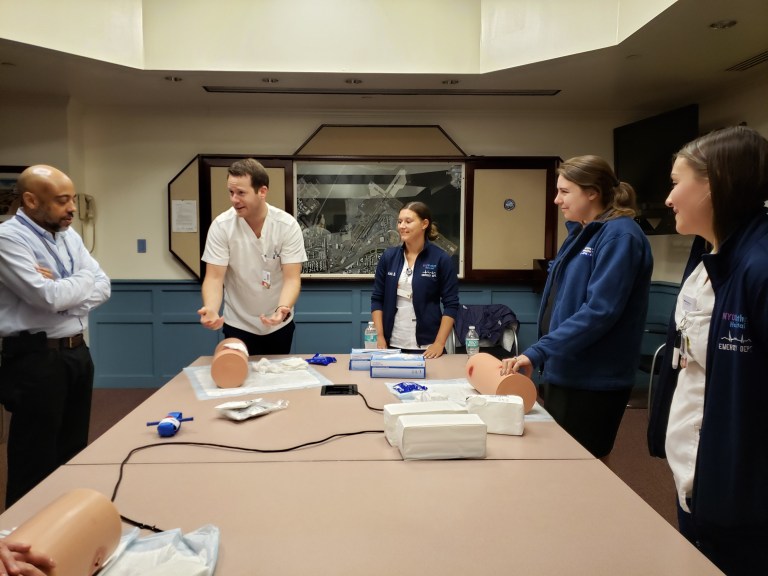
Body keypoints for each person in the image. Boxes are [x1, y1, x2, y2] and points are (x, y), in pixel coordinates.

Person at [647, 126, 768, 575]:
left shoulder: (759, 265)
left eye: (677, 182)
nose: (668, 198)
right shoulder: (707, 256)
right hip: (698, 474)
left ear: (713, 182)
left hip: (741, 492)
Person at [500, 155, 653, 458]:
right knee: (565, 462)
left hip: (593, 378)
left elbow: (600, 312)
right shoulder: (583, 232)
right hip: (565, 368)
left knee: (583, 465)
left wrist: (539, 350)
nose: (557, 200)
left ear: (592, 192)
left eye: (565, 191)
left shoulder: (620, 236)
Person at [0, 165, 111, 508]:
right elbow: (46, 298)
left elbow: (103, 285)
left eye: (73, 200)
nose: (72, 209)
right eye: (63, 201)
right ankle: (21, 534)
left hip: (77, 354)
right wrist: (78, 282)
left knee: (72, 449)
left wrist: (65, 287)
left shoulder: (68, 236)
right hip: (36, 360)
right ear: (31, 200)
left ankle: (63, 528)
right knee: (35, 456)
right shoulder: (8, 238)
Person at [198, 159, 307, 355]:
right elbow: (214, 277)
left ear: (262, 191)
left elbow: (292, 278)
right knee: (236, 378)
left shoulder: (287, 226)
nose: (234, 199)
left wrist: (283, 308)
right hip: (238, 324)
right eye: (231, 193)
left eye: (241, 193)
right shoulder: (222, 226)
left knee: (276, 381)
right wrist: (212, 308)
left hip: (278, 323)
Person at [370, 201, 459, 359]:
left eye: (408, 221)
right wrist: (380, 336)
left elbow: (451, 305)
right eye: (399, 221)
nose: (402, 226)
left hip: (427, 347)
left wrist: (439, 343)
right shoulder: (388, 257)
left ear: (424, 224)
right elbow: (377, 299)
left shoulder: (441, 259)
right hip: (392, 345)